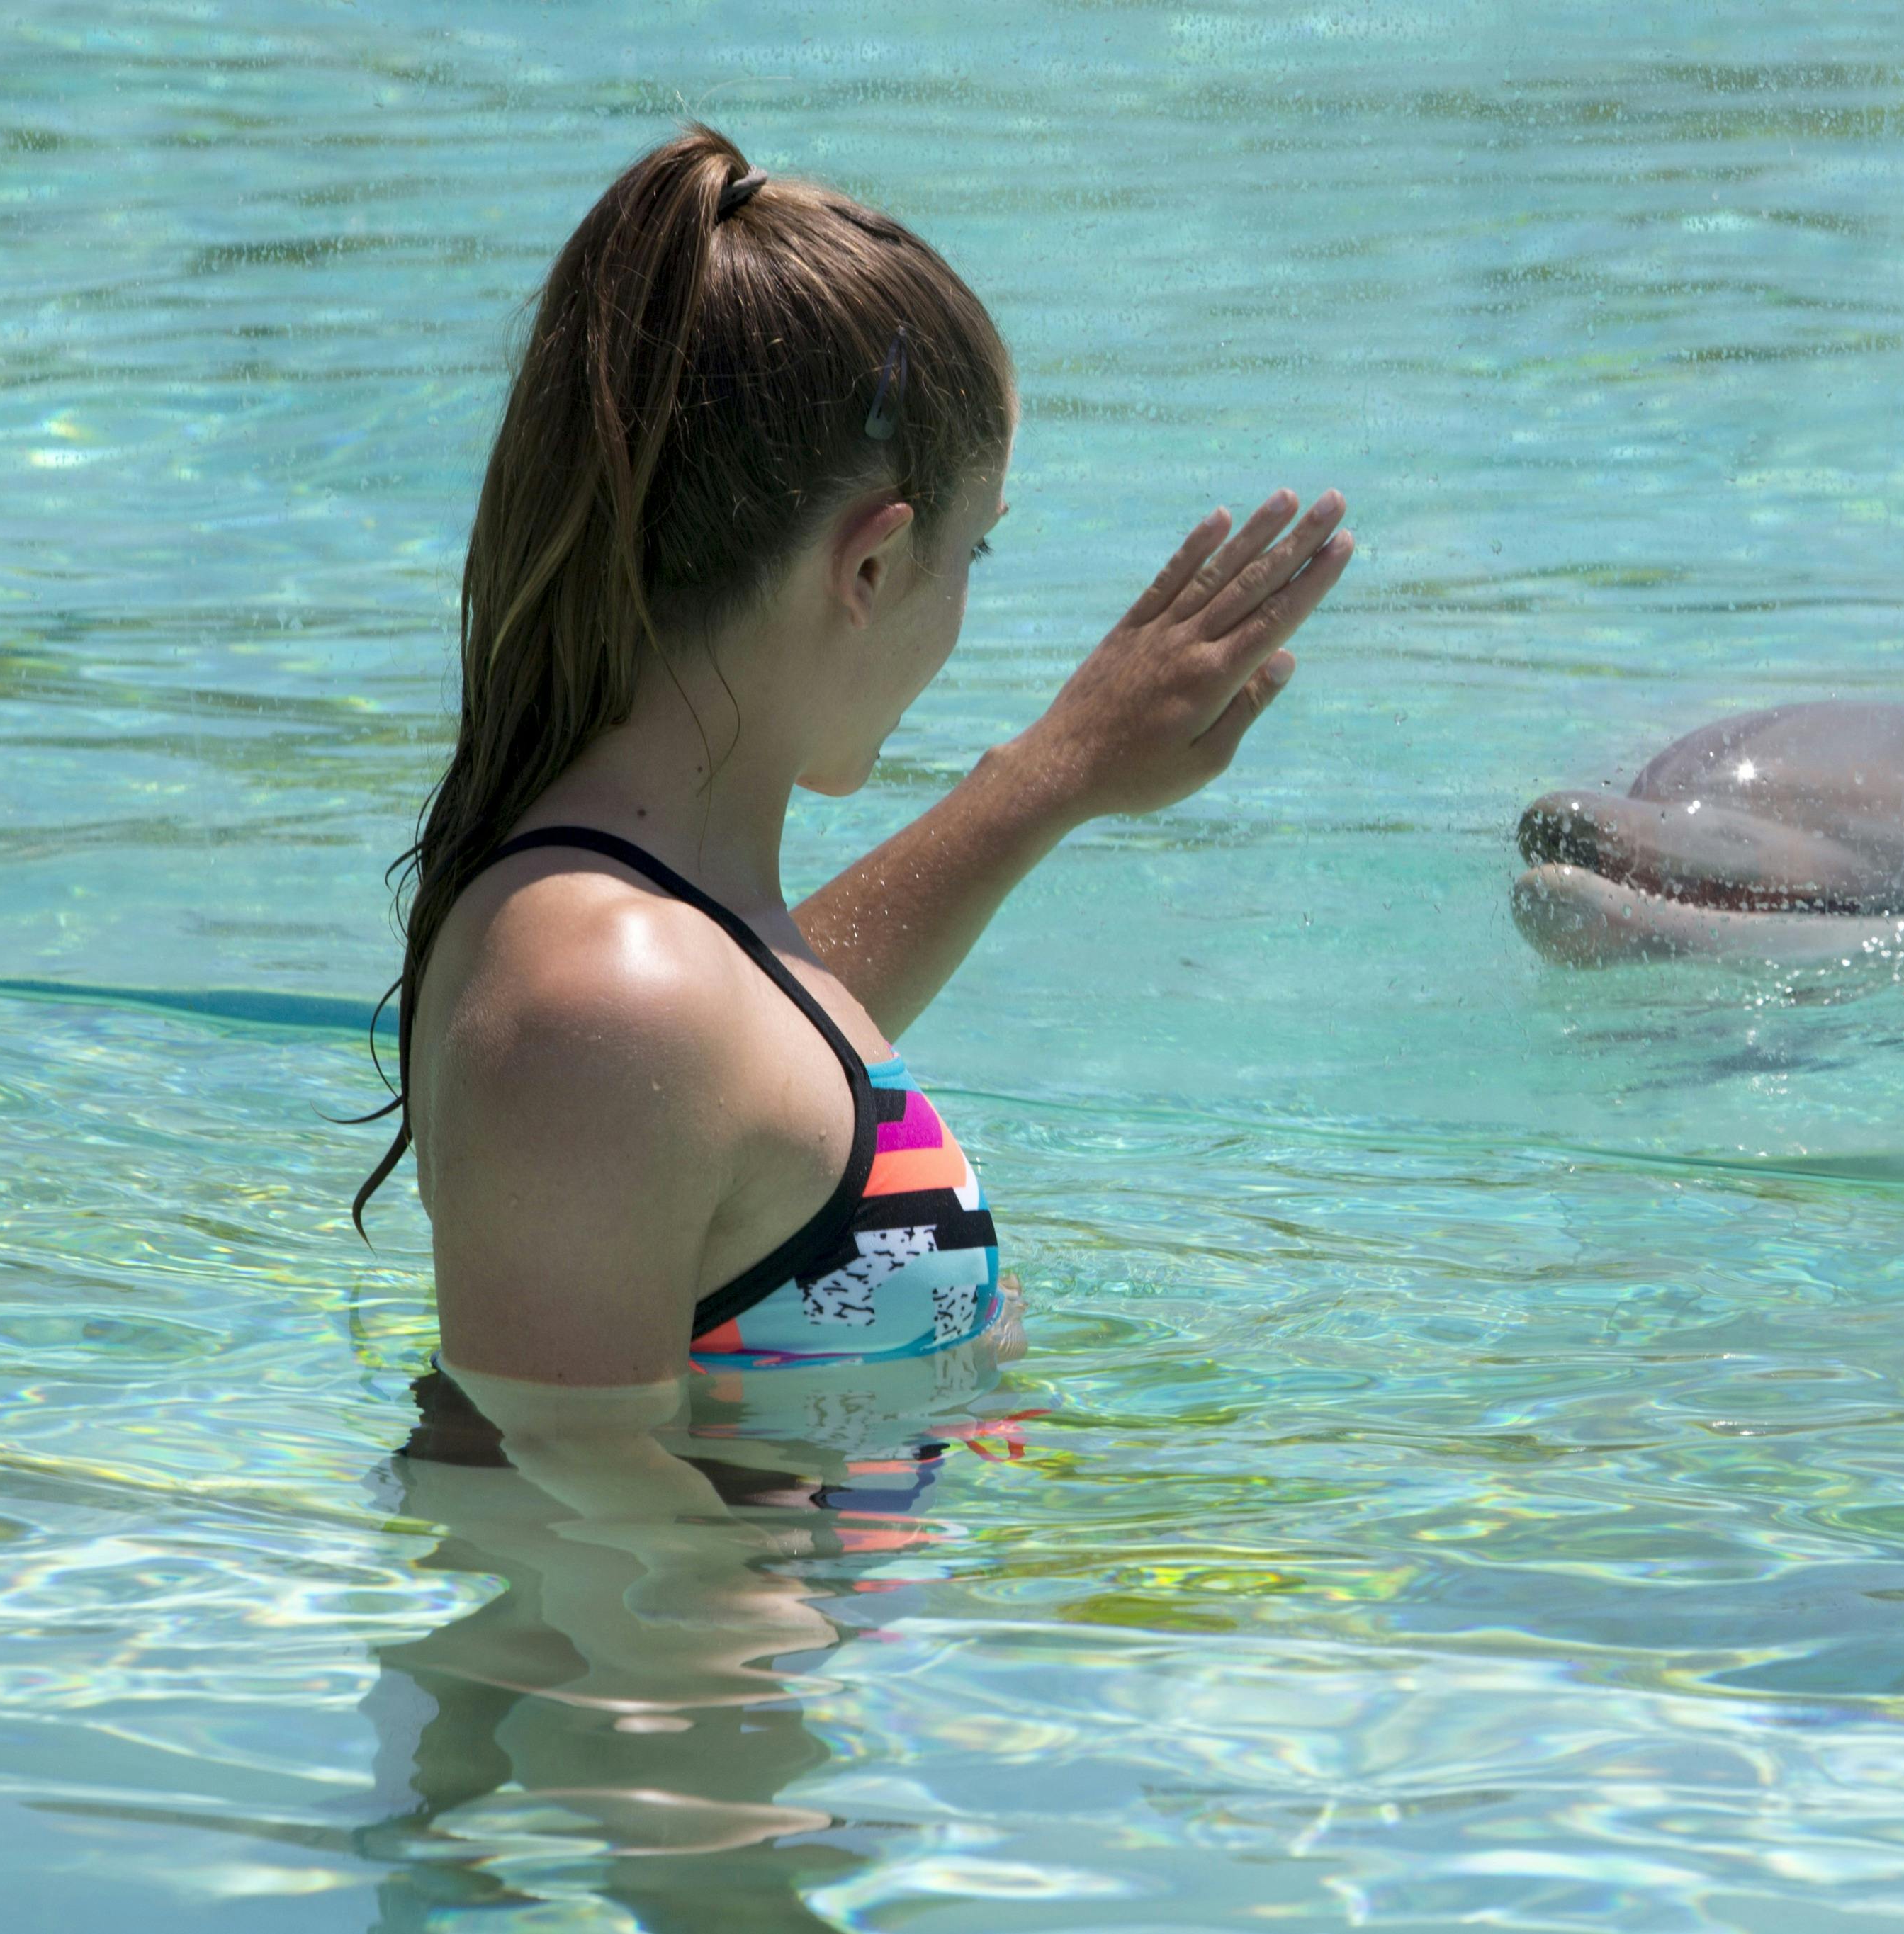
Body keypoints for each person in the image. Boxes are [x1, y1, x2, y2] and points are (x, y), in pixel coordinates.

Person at [336, 123, 1348, 1888]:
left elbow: (767, 1083)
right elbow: (565, 1516)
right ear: (869, 567)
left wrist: (1054, 777)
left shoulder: (660, 946)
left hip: (747, 1742)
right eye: (973, 560)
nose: (961, 614)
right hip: (657, 1801)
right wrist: (757, 1859)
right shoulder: (600, 992)